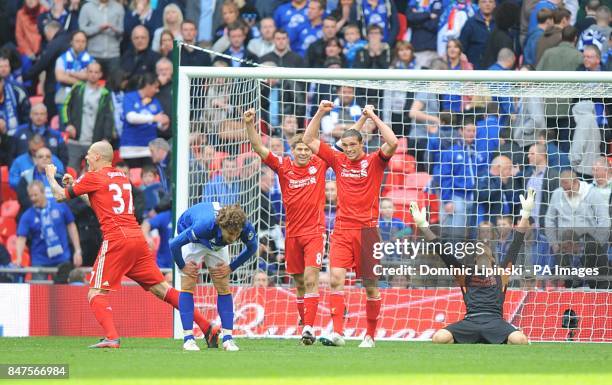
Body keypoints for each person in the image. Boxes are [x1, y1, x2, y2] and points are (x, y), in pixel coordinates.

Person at [45, 140, 218, 348]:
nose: (87, 158)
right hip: (136, 239)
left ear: (98, 157)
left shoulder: (94, 177)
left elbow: (59, 196)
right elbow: (98, 202)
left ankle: (111, 337)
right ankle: (208, 327)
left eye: (89, 154)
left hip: (116, 239)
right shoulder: (122, 178)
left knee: (96, 292)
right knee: (163, 289)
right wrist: (75, 186)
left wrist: (49, 174)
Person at [303, 100, 398, 348]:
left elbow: (394, 142)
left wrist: (373, 116)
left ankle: (370, 335)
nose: (348, 149)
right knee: (335, 279)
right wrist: (321, 112)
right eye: (344, 146)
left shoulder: (375, 161)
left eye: (352, 145)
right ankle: (338, 332)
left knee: (370, 286)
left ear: (361, 144)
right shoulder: (338, 160)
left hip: (367, 231)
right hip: (342, 230)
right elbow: (309, 138)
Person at [245, 108, 328, 345]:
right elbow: (259, 149)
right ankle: (305, 322)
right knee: (300, 282)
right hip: (291, 234)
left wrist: (320, 113)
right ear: (292, 151)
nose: (303, 151)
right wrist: (250, 125)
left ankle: (309, 327)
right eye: (299, 148)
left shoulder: (320, 165)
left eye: (306, 148)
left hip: (314, 233)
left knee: (312, 278)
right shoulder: (283, 166)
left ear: (311, 150)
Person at [409, 190, 534, 344]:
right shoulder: (464, 274)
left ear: (493, 259)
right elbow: (442, 251)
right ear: (474, 260)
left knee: (520, 340)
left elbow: (516, 243)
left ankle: (503, 338)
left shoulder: (501, 273)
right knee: (439, 338)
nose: (482, 250)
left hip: (495, 322)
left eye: (485, 250)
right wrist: (423, 226)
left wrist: (526, 213)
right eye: (478, 251)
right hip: (470, 322)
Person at [169, 202, 258, 351]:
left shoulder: (243, 226)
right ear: (222, 226)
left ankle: (228, 339)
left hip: (216, 246)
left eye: (237, 235)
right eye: (230, 234)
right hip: (193, 240)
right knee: (188, 282)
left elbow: (252, 248)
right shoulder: (204, 225)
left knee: (223, 284)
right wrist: (182, 266)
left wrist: (231, 267)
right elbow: (174, 245)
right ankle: (188, 339)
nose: (234, 238)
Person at [545, 170, 610, 288]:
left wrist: (598, 245)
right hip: (565, 243)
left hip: (588, 243)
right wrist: (553, 242)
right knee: (566, 278)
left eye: (568, 188)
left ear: (575, 182)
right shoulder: (557, 194)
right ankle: (569, 286)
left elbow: (604, 219)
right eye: (563, 188)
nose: (565, 192)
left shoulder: (592, 193)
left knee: (594, 277)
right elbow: (549, 220)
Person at [16, 180, 82, 278]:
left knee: (63, 292)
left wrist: (77, 251)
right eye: (31, 196)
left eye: (35, 195)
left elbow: (71, 226)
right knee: (38, 292)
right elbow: (21, 237)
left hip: (62, 259)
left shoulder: (60, 205)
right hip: (40, 261)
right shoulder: (27, 215)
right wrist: (18, 258)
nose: (33, 198)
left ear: (43, 193)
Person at [63, 61, 116, 171]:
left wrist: (106, 138)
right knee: (70, 175)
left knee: (92, 177)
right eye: (90, 71)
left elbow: (109, 117)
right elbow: (65, 106)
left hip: (95, 143)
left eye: (96, 72)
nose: (93, 74)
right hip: (75, 141)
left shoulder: (105, 94)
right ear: (86, 73)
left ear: (101, 74)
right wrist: (68, 124)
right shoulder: (77, 88)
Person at [23, 21, 71, 119]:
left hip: (54, 84)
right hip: (67, 82)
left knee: (53, 115)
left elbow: (43, 62)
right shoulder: (68, 39)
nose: (47, 39)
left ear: (50, 31)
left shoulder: (56, 42)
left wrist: (26, 75)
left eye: (46, 35)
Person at [120, 73, 169, 167]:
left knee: (149, 178)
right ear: (148, 86)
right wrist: (154, 118)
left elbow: (158, 123)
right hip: (130, 149)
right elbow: (131, 117)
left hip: (149, 149)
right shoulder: (130, 97)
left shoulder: (155, 101)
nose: (157, 90)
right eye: (155, 87)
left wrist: (164, 124)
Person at [78, 0, 124, 77]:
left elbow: (122, 31)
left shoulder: (118, 8)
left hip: (113, 55)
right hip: (93, 55)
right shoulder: (87, 7)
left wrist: (114, 29)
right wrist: (99, 28)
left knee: (113, 85)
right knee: (92, 84)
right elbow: (82, 31)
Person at [55, 31, 93, 114]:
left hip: (85, 100)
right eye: (77, 41)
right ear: (71, 42)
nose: (80, 44)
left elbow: (91, 76)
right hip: (64, 98)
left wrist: (72, 74)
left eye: (83, 41)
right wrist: (81, 80)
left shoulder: (91, 60)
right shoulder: (62, 59)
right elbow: (60, 77)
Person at [16, 147, 64, 213]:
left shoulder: (59, 178)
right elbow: (22, 199)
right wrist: (41, 207)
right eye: (41, 156)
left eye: (48, 156)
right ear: (35, 160)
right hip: (33, 212)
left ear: (52, 160)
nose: (45, 158)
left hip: (55, 212)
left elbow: (65, 197)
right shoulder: (26, 177)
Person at [405, 0, 443, 68]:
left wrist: (416, 22)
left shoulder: (438, 2)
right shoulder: (414, 2)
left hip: (431, 49)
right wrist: (428, 15)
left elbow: (434, 25)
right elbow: (409, 18)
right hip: (416, 49)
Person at [459, 0, 496, 69]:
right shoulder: (470, 23)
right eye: (484, 2)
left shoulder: (499, 24)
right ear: (478, 4)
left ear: (494, 5)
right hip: (475, 71)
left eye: (490, 2)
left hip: (495, 70)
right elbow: (462, 47)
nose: (487, 4)